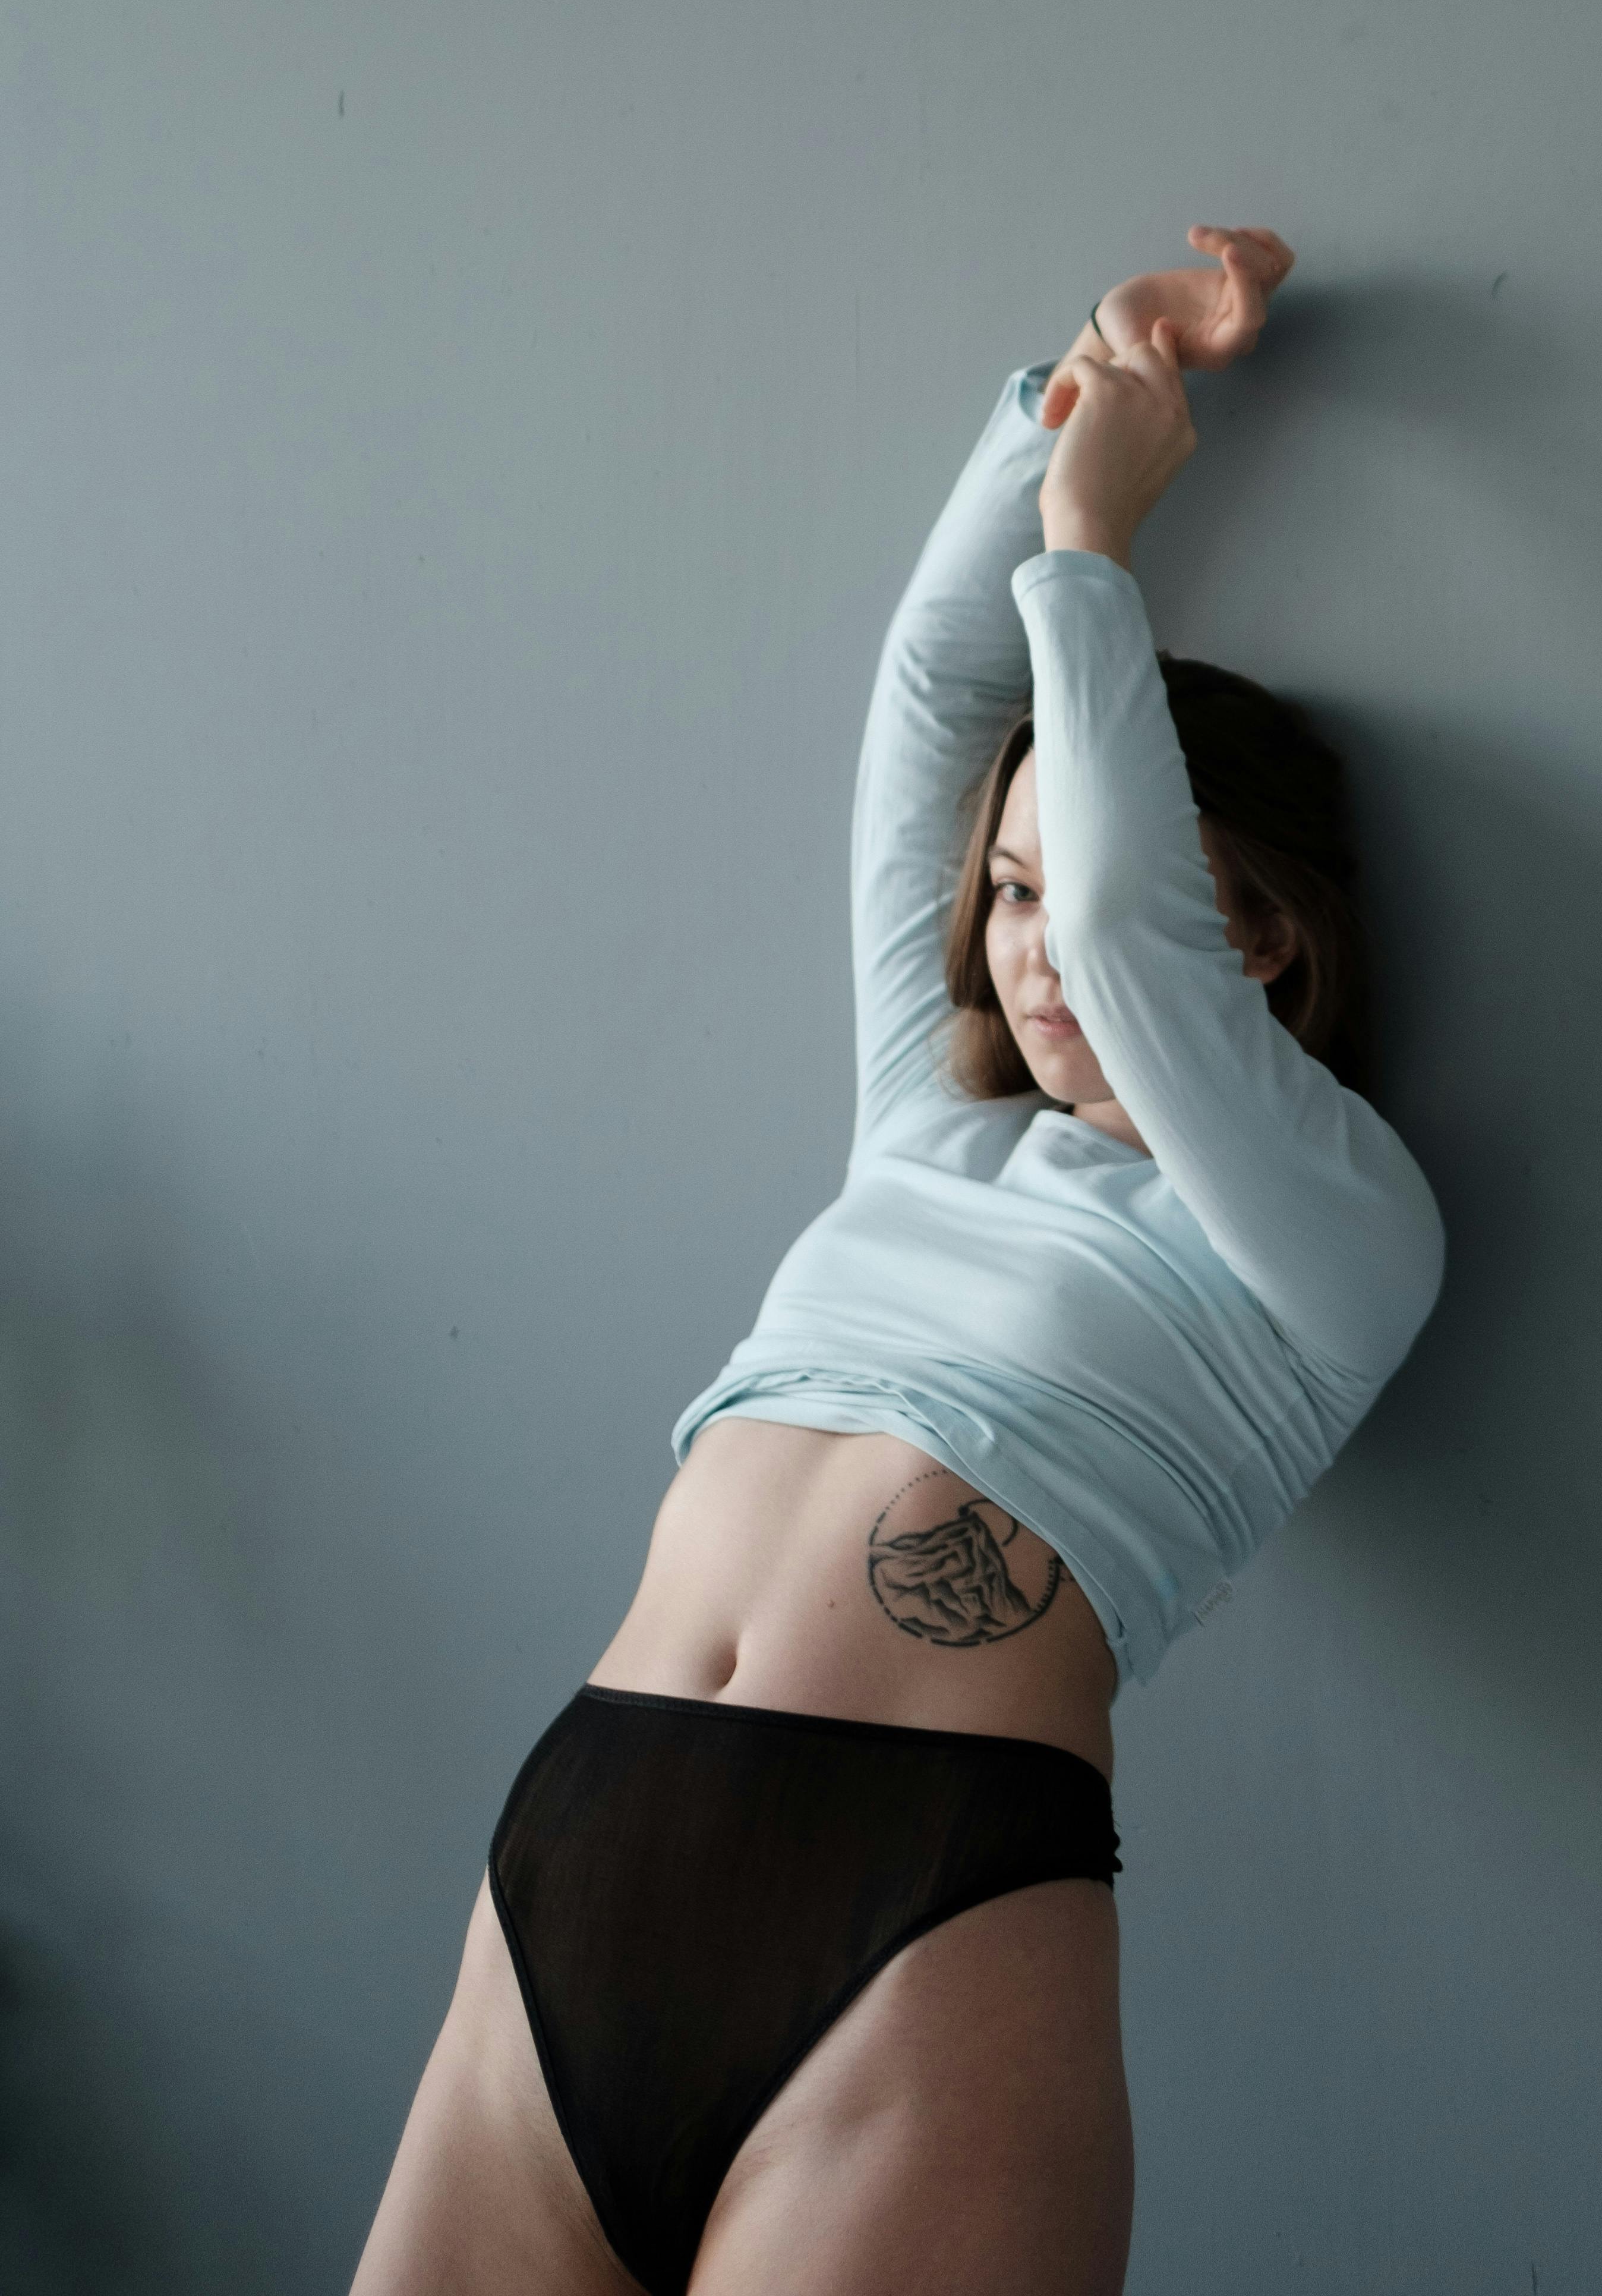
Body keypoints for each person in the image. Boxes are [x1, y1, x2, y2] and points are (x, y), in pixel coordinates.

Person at [350, 224, 1445, 2296]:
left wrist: (1095, 532)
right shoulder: (927, 1123)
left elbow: (1133, 932)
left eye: (1067, 884)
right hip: (579, 1849)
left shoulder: (1335, 1233)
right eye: (1001, 888)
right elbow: (936, 694)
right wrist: (1087, 376)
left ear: (1272, 937)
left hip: (921, 1913)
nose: (1029, 945)